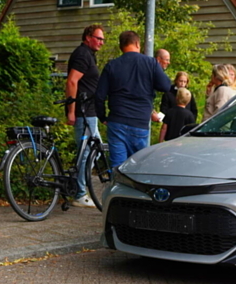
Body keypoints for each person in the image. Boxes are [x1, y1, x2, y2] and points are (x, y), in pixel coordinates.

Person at [95, 30, 172, 169]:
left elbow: (99, 95)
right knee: (138, 167)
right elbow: (166, 86)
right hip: (140, 122)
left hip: (117, 121)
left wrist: (102, 117)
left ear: (121, 46)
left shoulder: (111, 65)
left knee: (118, 168)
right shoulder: (151, 63)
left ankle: (118, 190)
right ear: (137, 44)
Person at [65, 24, 105, 208]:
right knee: (86, 153)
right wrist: (71, 111)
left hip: (89, 112)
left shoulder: (88, 55)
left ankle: (78, 188)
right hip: (83, 112)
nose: (101, 42)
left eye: (103, 39)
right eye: (98, 38)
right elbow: (72, 81)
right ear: (88, 37)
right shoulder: (82, 54)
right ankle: (79, 194)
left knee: (94, 151)